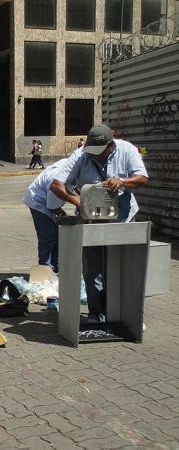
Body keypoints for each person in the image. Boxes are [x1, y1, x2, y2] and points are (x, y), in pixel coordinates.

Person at [50, 124, 148, 323]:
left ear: (110, 146)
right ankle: (97, 314)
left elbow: (142, 179)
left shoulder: (127, 150)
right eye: (92, 152)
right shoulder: (81, 155)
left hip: (123, 218)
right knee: (92, 270)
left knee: (121, 268)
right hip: (92, 221)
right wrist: (77, 201)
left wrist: (122, 181)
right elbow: (56, 185)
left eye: (99, 152)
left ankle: (126, 314)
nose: (95, 156)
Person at [22, 159, 71, 273]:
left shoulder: (73, 166)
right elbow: (53, 207)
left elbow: (75, 186)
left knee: (57, 235)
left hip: (47, 200)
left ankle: (55, 264)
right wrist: (65, 215)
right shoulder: (57, 176)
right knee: (47, 236)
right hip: (38, 202)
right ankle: (45, 268)